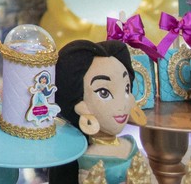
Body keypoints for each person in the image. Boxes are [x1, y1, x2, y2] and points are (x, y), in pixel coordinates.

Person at [51, 40, 143, 184]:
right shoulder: (86, 157)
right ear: (80, 104)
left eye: (126, 89)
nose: (123, 103)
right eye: (104, 93)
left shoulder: (130, 145)